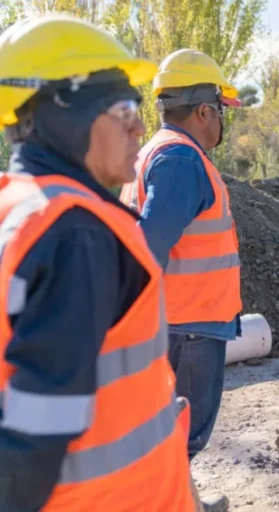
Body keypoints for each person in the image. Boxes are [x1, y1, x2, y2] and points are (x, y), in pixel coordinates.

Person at [0, 14, 197, 511]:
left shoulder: (20, 206)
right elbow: (34, 435)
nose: (139, 125)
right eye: (123, 106)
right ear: (66, 114)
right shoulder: (77, 235)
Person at [120, 48, 243, 510]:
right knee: (182, 434)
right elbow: (150, 243)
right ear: (204, 111)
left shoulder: (155, 152)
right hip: (187, 326)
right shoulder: (181, 161)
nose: (223, 124)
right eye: (221, 112)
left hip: (177, 321)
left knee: (170, 435)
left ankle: (184, 501)